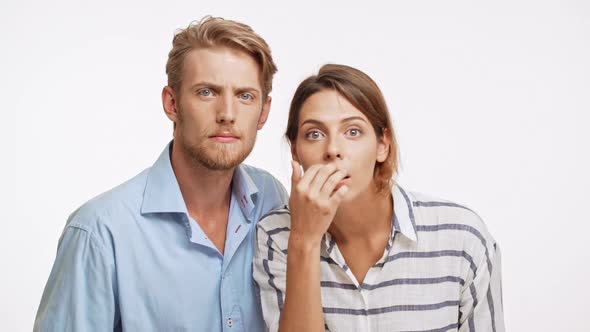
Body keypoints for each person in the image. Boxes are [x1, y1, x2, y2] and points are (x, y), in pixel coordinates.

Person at [34, 16, 288, 331]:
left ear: (263, 112)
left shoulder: (272, 199)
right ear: (172, 103)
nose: (227, 114)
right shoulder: (99, 233)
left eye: (245, 96)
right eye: (207, 92)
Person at [254, 64, 505, 332]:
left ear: (382, 145)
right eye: (314, 134)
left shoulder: (462, 238)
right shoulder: (277, 237)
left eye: (353, 131)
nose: (333, 150)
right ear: (295, 151)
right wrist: (305, 241)